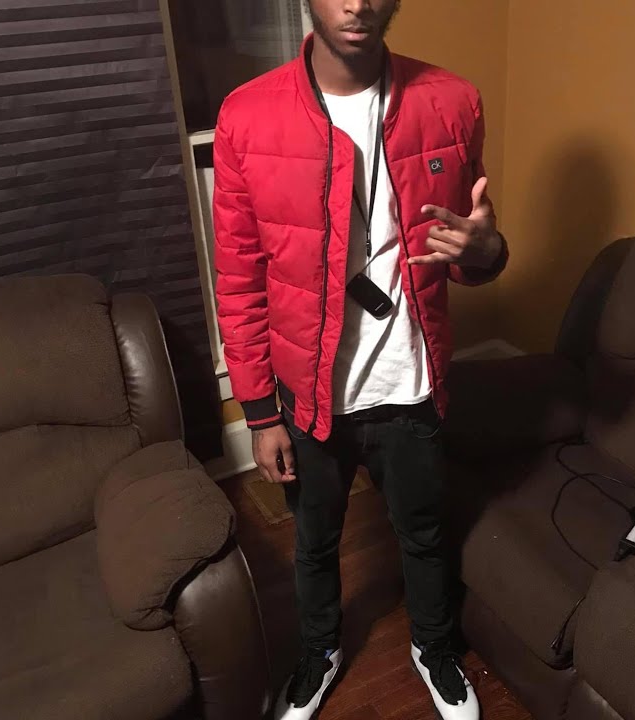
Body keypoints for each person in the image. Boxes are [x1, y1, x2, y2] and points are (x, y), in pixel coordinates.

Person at [212, 1, 507, 718]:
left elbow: (470, 251)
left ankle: (434, 647)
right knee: (314, 541)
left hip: (410, 380)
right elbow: (240, 278)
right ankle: (319, 652)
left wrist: (487, 251)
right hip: (309, 394)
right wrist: (260, 413)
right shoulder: (247, 116)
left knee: (425, 533)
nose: (356, 2)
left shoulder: (452, 102)